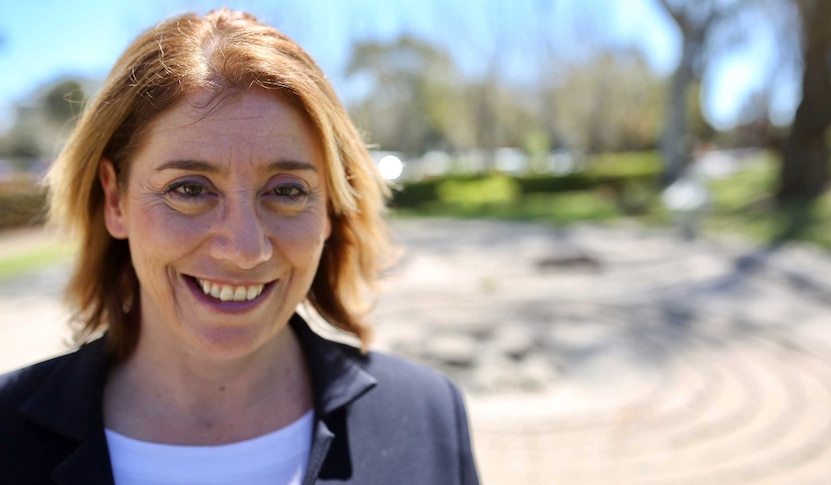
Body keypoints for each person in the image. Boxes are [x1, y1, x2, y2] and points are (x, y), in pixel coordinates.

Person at [0, 9, 479, 485]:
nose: (245, 250)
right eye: (189, 189)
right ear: (115, 199)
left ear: (331, 206)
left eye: (287, 191)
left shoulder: (427, 417)